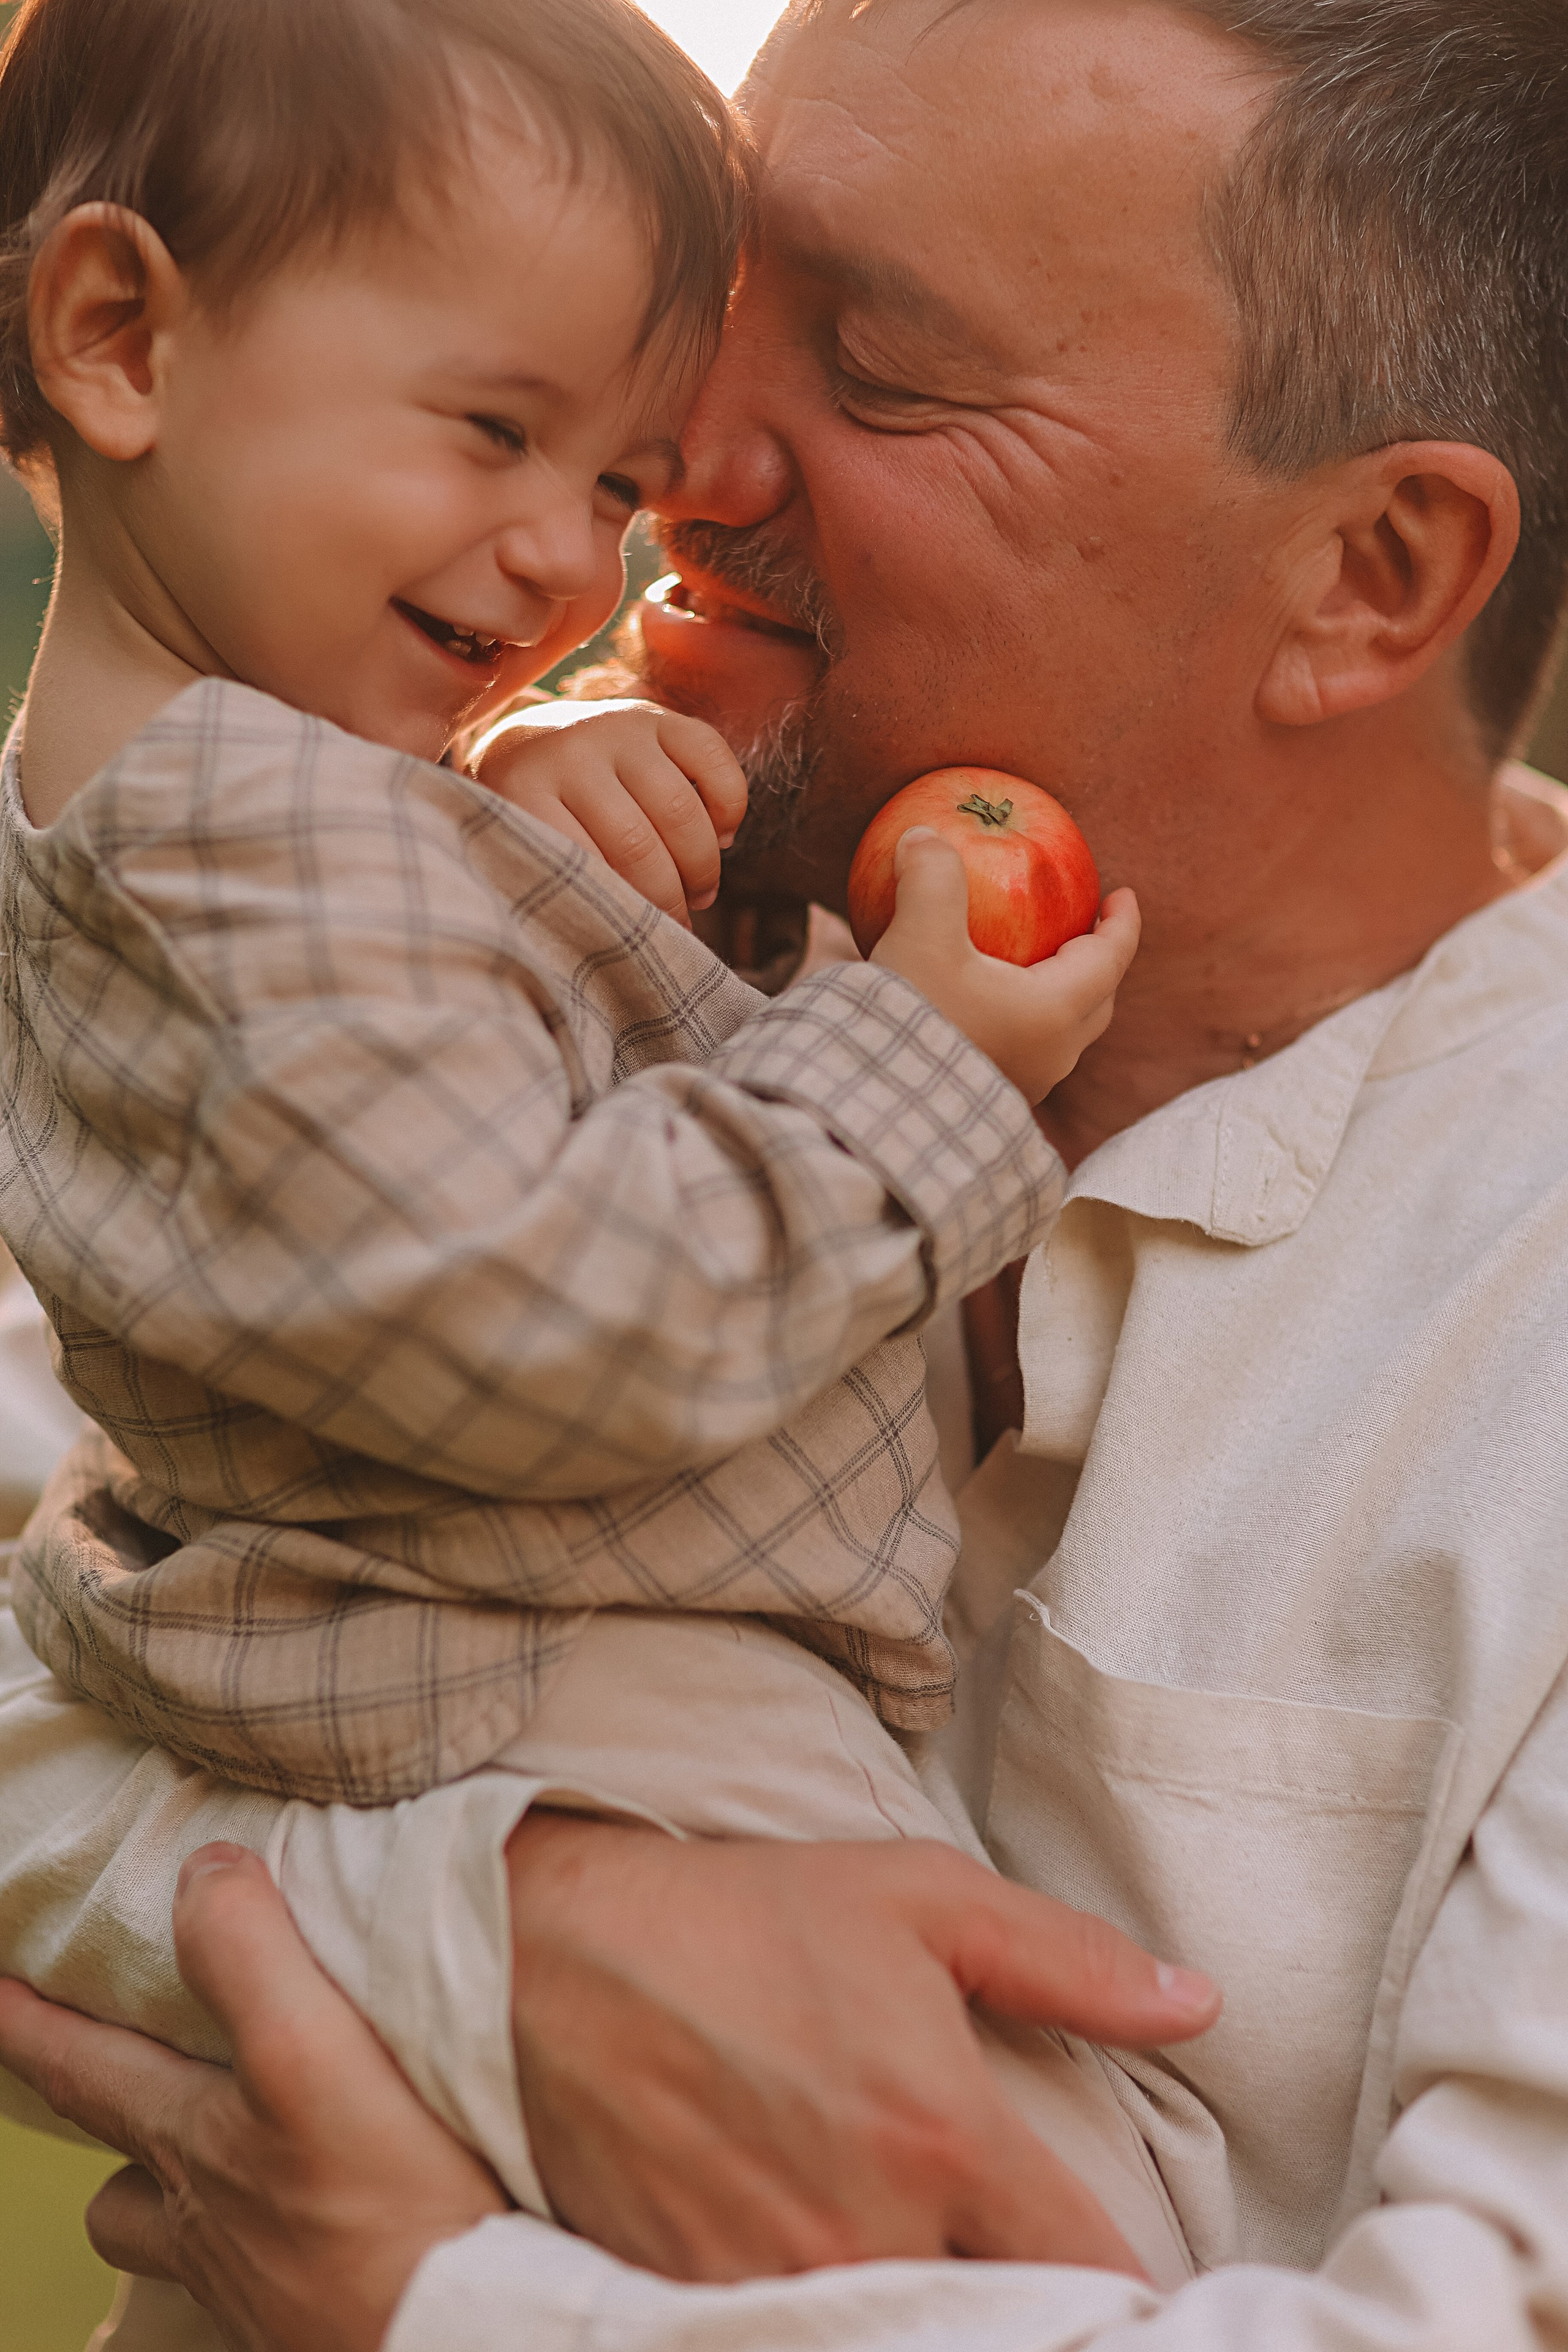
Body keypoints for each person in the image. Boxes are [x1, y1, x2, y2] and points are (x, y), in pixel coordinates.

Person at [8, 0, 1568, 2343]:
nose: (677, 462)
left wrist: (455, 2301)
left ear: (1372, 570)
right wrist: (503, 1930)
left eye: (881, 366)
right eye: (705, 318)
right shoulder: (416, 944)